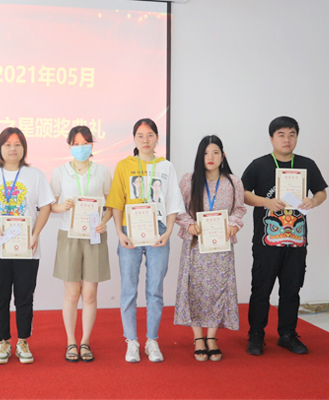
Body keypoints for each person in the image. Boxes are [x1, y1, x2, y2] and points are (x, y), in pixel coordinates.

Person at [242, 116, 327, 355]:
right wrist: (266, 201)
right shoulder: (259, 165)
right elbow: (243, 193)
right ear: (272, 138)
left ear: (297, 137)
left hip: (296, 241)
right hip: (267, 242)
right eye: (281, 135)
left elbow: (322, 192)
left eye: (291, 134)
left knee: (291, 289)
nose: (287, 139)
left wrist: (313, 201)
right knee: (261, 289)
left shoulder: (306, 164)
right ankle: (256, 334)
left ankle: (287, 334)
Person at [106, 118, 184, 363]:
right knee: (129, 289)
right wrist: (119, 233)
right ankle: (131, 341)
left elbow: (172, 201)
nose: (145, 140)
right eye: (140, 136)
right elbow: (116, 202)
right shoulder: (124, 166)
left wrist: (168, 232)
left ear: (157, 138)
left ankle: (152, 340)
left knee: (155, 289)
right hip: (129, 230)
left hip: (158, 231)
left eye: (150, 135)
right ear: (134, 139)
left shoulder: (166, 167)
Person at [0, 127, 55, 364]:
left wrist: (36, 234)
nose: (13, 149)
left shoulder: (35, 175)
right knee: (0, 297)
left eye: (18, 144)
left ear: (24, 148)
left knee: (24, 296)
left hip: (27, 248)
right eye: (8, 144)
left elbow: (46, 207)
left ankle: (22, 341)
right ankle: (3, 341)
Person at [174, 135, 246, 361]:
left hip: (221, 246)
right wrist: (189, 224)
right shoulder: (189, 180)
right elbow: (178, 209)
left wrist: (234, 224)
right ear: (200, 156)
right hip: (195, 246)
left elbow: (239, 209)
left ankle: (212, 337)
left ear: (223, 156)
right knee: (194, 289)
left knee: (219, 290)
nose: (210, 157)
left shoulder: (233, 182)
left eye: (215, 152)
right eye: (206, 153)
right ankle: (198, 337)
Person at [50, 126, 112, 362]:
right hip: (69, 234)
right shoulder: (60, 172)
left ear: (92, 145)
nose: (80, 148)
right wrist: (62, 207)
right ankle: (71, 342)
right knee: (72, 293)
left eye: (85, 143)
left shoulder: (102, 172)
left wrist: (104, 221)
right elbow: (50, 205)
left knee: (89, 294)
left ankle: (85, 341)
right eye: (76, 144)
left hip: (94, 235)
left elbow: (111, 205)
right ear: (70, 146)